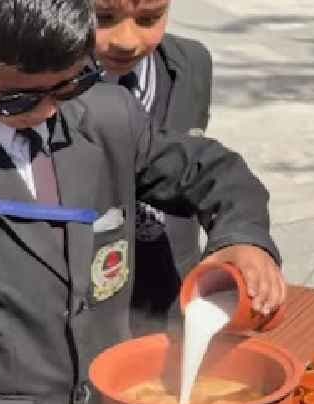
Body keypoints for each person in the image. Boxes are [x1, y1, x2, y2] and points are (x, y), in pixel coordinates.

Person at [0, 0, 285, 404]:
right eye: (15, 101)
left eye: (69, 85)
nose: (49, 111)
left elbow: (212, 171)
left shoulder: (106, 114)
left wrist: (244, 239)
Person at [93, 0, 216, 334]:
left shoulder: (193, 63)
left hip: (173, 289)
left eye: (148, 19)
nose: (126, 40)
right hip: (90, 301)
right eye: (103, 18)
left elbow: (198, 166)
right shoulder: (42, 84)